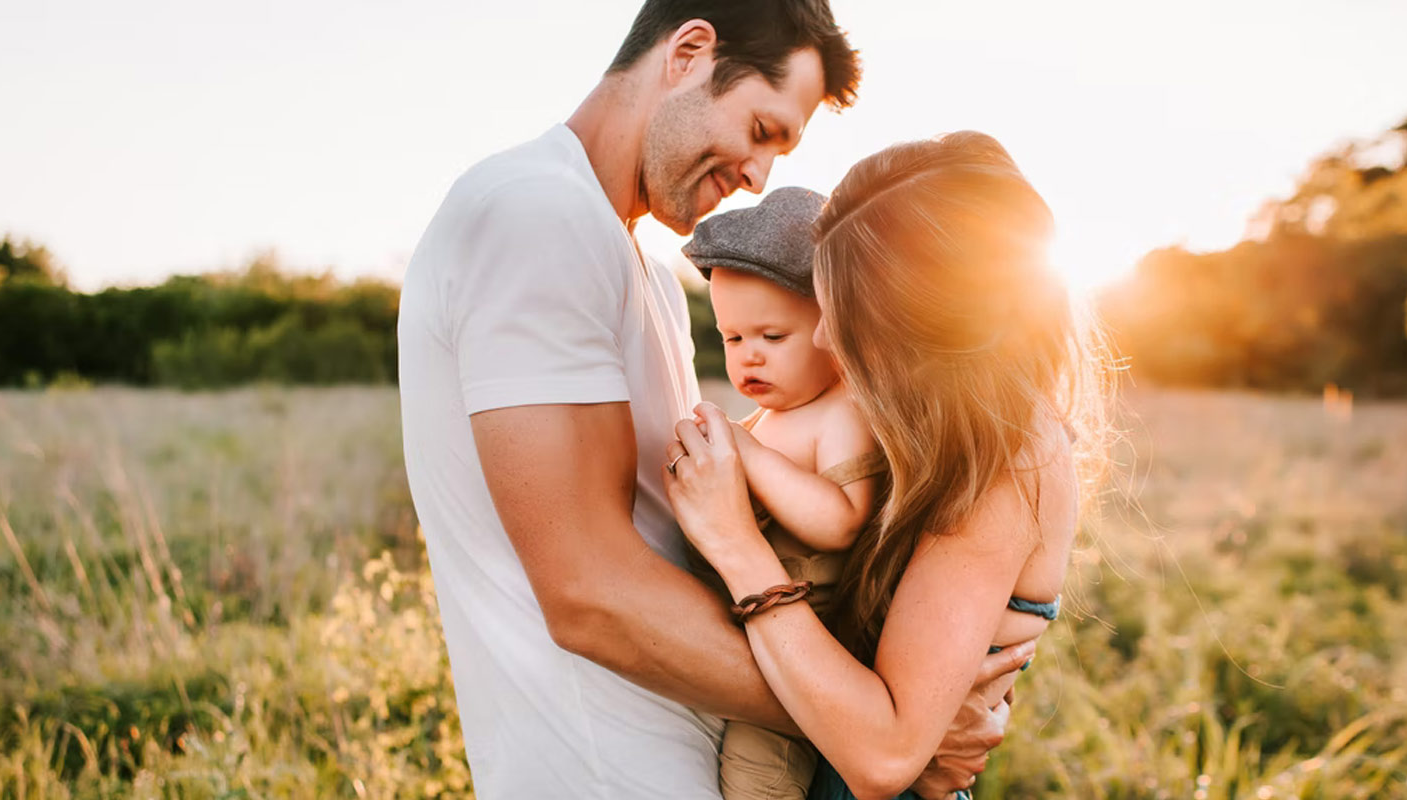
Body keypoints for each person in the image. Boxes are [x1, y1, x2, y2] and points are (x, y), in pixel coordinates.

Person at [397, 2, 1033, 796]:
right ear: (690, 51)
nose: (758, 178)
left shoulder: (647, 277)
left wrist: (892, 716)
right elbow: (589, 594)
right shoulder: (536, 216)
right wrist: (885, 727)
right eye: (762, 130)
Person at [664, 130, 1110, 800]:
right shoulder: (932, 431)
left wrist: (734, 544)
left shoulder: (1009, 456)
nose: (822, 335)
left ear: (924, 327)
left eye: (847, 315)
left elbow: (882, 754)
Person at [683, 186, 887, 800]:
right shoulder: (767, 418)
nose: (750, 359)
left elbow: (844, 520)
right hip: (745, 638)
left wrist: (748, 456)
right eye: (733, 338)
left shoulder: (840, 411)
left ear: (834, 331)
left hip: (808, 645)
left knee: (757, 777)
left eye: (772, 337)